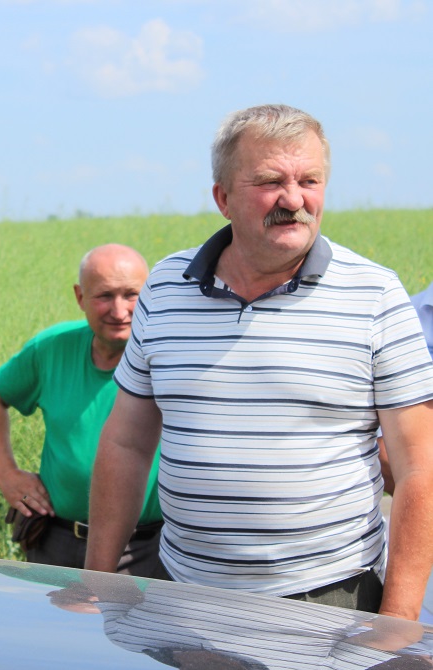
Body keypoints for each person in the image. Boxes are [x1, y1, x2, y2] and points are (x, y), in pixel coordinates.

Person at [85, 104, 433, 621]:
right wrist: (95, 579)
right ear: (223, 198)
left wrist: (399, 619)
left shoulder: (374, 295)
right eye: (271, 182)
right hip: (183, 595)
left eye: (309, 181)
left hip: (327, 601)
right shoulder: (165, 287)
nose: (293, 200)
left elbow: (420, 468)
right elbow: (126, 443)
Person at [0, 244, 162, 573]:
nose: (119, 311)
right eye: (105, 296)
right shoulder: (52, 349)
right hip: (57, 542)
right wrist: (5, 473)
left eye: (131, 295)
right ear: (80, 296)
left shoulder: (168, 355)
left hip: (145, 548)